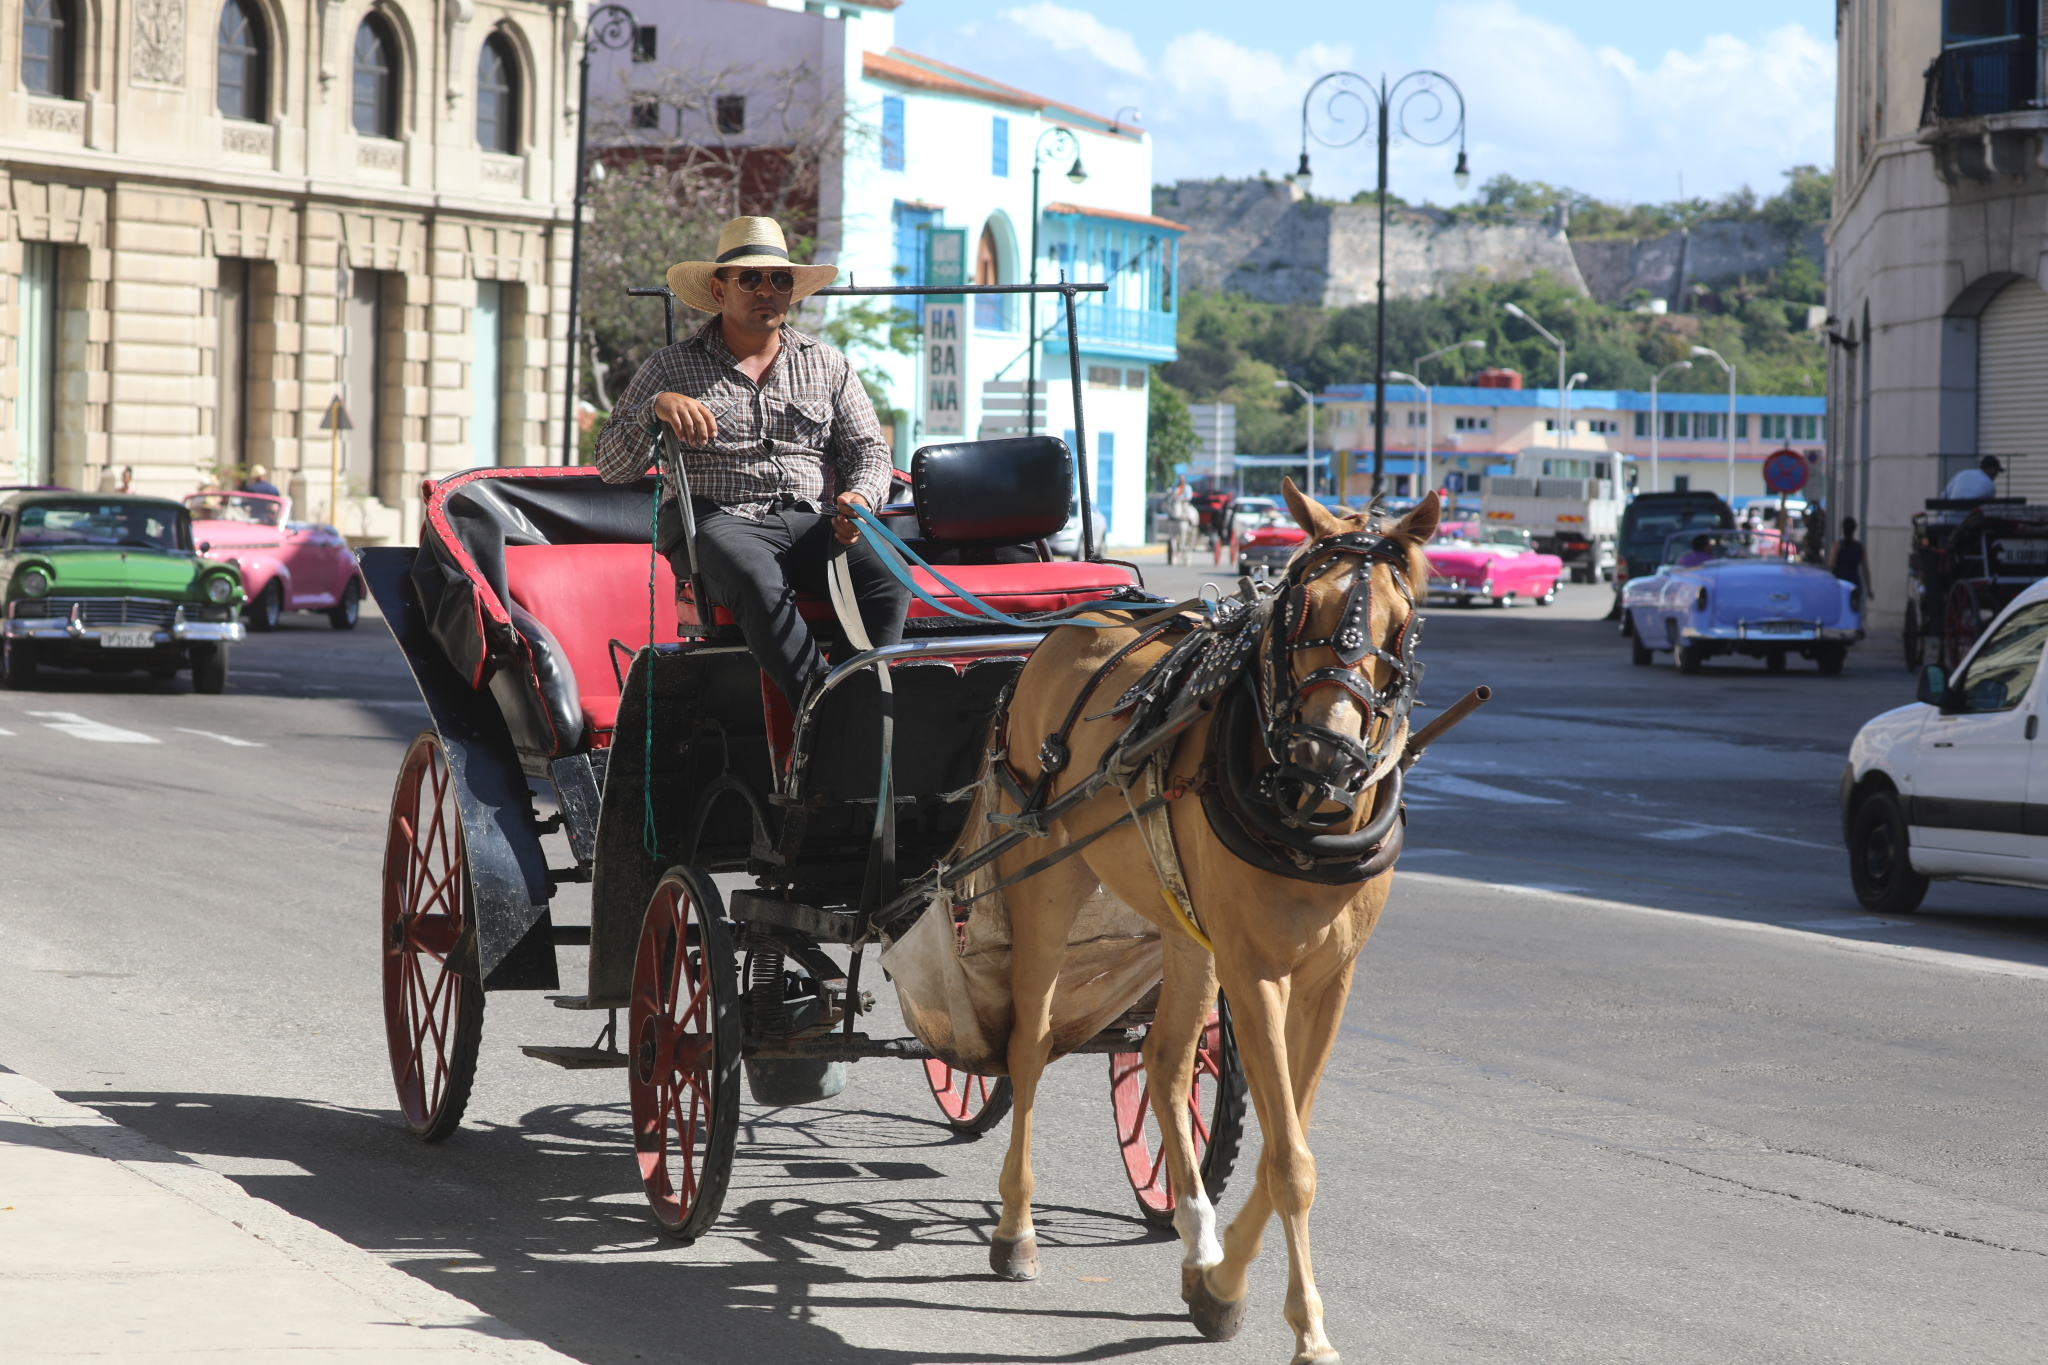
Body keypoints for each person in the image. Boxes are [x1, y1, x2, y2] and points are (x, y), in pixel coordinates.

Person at [594, 216, 907, 707]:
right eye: (751, 278)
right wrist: (652, 410)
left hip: (811, 519)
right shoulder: (668, 367)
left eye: (779, 279)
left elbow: (868, 450)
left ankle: (858, 707)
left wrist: (860, 499)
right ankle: (818, 713)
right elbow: (612, 468)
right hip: (716, 521)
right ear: (719, 292)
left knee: (887, 575)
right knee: (756, 579)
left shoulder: (828, 364)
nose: (767, 290)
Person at [1831, 516, 1870, 599]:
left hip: (1840, 580)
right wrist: (1869, 589)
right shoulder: (1860, 547)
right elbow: (1866, 570)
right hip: (1854, 581)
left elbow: (1830, 564)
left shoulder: (1838, 545)